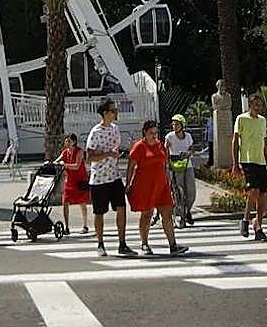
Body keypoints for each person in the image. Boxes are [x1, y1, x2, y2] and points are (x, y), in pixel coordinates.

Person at [126, 120, 190, 256]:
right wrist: (128, 183)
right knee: (147, 214)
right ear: (144, 132)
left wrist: (169, 179)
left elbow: (165, 163)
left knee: (167, 213)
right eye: (151, 133)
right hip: (145, 185)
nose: (154, 136)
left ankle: (173, 245)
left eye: (155, 133)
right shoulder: (139, 146)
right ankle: (144, 243)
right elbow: (131, 166)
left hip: (162, 185)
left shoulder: (160, 145)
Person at [86, 98, 135, 257]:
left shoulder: (115, 129)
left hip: (114, 176)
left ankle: (122, 243)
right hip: (99, 178)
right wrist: (107, 154)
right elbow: (89, 157)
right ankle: (100, 243)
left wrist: (116, 154)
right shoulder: (95, 132)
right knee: (99, 212)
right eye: (113, 110)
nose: (116, 113)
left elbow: (115, 148)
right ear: (105, 113)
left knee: (121, 208)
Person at [231, 92, 267, 242]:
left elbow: (264, 142)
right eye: (255, 105)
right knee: (253, 191)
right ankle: (245, 219)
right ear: (250, 105)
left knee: (262, 197)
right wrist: (235, 163)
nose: (258, 108)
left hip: (260, 161)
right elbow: (235, 140)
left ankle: (258, 227)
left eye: (260, 105)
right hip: (247, 160)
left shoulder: (262, 121)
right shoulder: (241, 119)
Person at [164, 114, 196, 226]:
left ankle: (187, 211)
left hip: (188, 165)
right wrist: (167, 163)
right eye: (173, 124)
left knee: (191, 192)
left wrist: (189, 153)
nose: (175, 126)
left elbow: (192, 148)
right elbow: (165, 150)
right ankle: (179, 215)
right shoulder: (170, 137)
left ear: (182, 125)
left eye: (177, 124)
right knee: (179, 191)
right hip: (175, 166)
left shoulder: (188, 136)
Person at [59, 133, 90, 234]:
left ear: (74, 142)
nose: (67, 143)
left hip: (80, 180)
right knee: (65, 202)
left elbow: (77, 165)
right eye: (66, 141)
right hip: (70, 181)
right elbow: (58, 160)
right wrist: (52, 163)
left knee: (82, 203)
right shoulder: (65, 152)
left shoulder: (79, 151)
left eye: (69, 141)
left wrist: (65, 165)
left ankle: (85, 225)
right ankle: (66, 227)